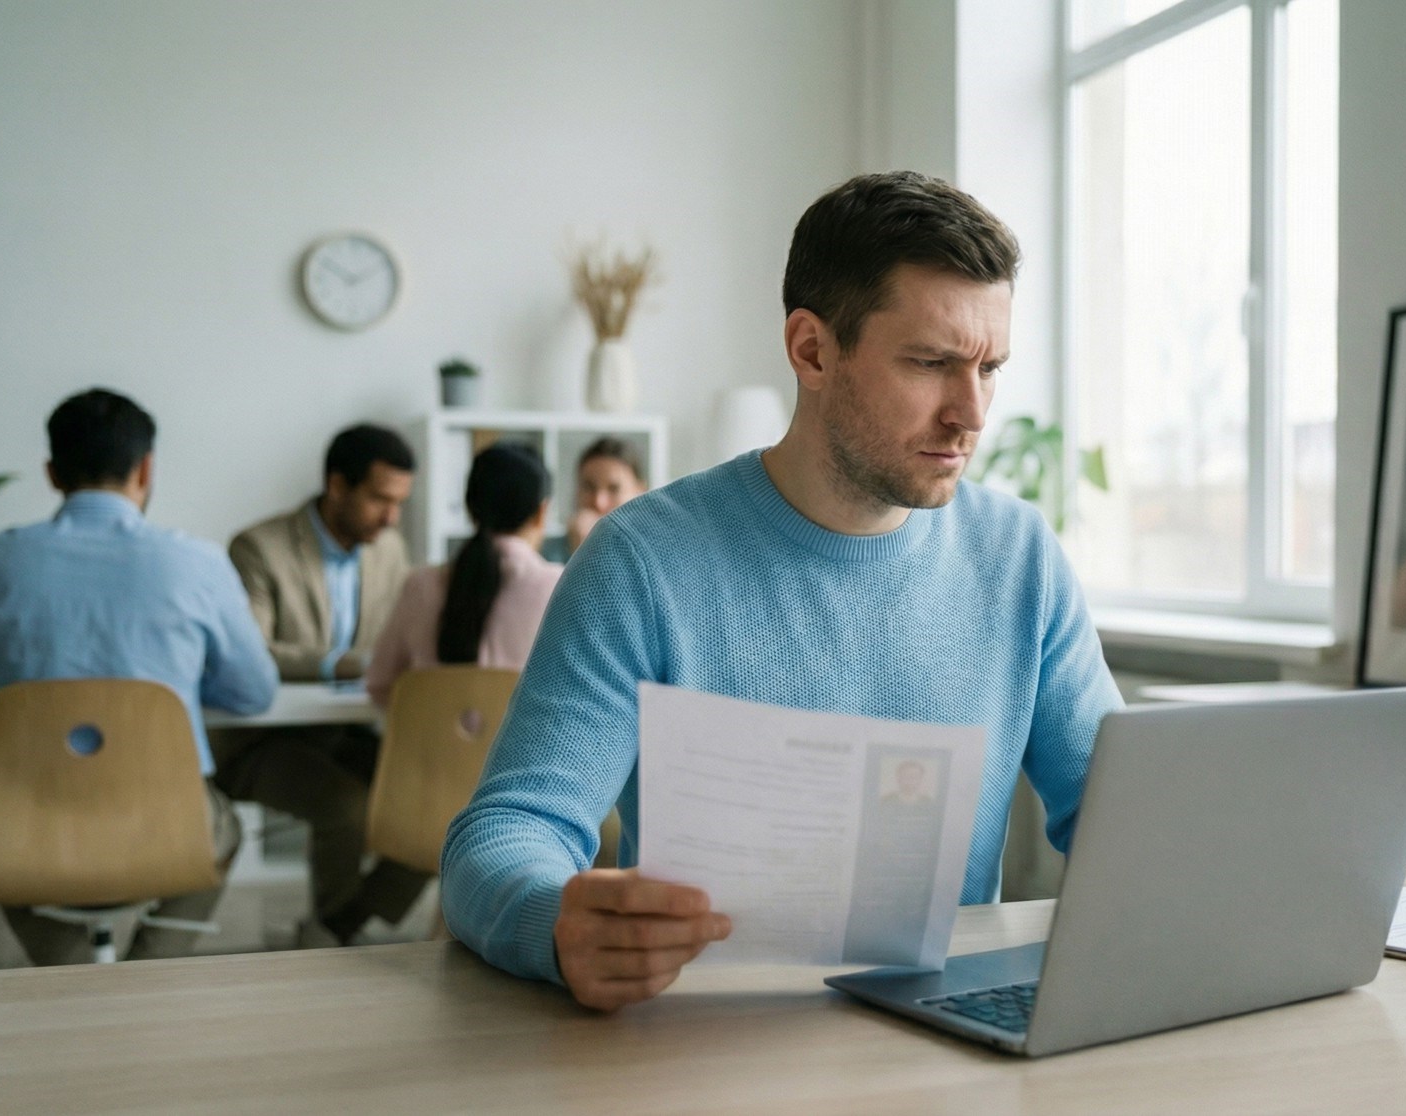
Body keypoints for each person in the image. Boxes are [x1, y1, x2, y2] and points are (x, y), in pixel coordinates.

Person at [442, 171, 1122, 1010]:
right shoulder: (642, 562)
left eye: (990, 368)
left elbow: (1119, 816)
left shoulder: (1019, 558)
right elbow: (505, 834)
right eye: (933, 363)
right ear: (812, 350)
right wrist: (555, 921)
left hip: (941, 1036)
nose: (971, 413)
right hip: (705, 1032)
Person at [0, 388, 277, 965]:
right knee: (221, 828)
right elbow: (255, 693)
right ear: (146, 469)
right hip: (165, 825)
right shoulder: (199, 564)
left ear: (52, 472)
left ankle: (71, 976)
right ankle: (149, 968)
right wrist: (174, 685)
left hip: (25, 827)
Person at [215, 423, 425, 947]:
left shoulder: (389, 549)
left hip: (347, 733)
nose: (392, 516)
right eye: (380, 498)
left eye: (400, 502)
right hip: (263, 742)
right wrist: (345, 663)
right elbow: (254, 653)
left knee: (435, 802)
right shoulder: (258, 548)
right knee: (347, 808)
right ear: (337, 486)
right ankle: (334, 944)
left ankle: (336, 927)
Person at [365, 443, 562, 707]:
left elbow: (380, 685)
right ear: (541, 513)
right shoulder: (560, 588)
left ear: (470, 509)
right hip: (522, 748)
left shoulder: (419, 585)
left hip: (427, 748)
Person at [543, 438, 648, 562]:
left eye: (613, 489)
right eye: (589, 487)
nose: (599, 502)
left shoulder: (652, 556)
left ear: (640, 492)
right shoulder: (544, 555)